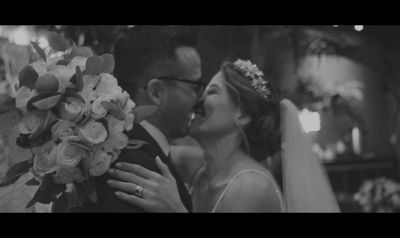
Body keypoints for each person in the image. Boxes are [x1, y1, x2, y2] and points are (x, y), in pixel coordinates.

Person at [107, 59, 340, 212]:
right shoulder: (200, 166)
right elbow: (149, 140)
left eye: (212, 92)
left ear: (243, 116)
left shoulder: (251, 187)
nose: (197, 100)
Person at [82, 26, 205, 212]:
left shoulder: (126, 148)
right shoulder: (133, 168)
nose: (200, 98)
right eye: (195, 86)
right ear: (156, 91)